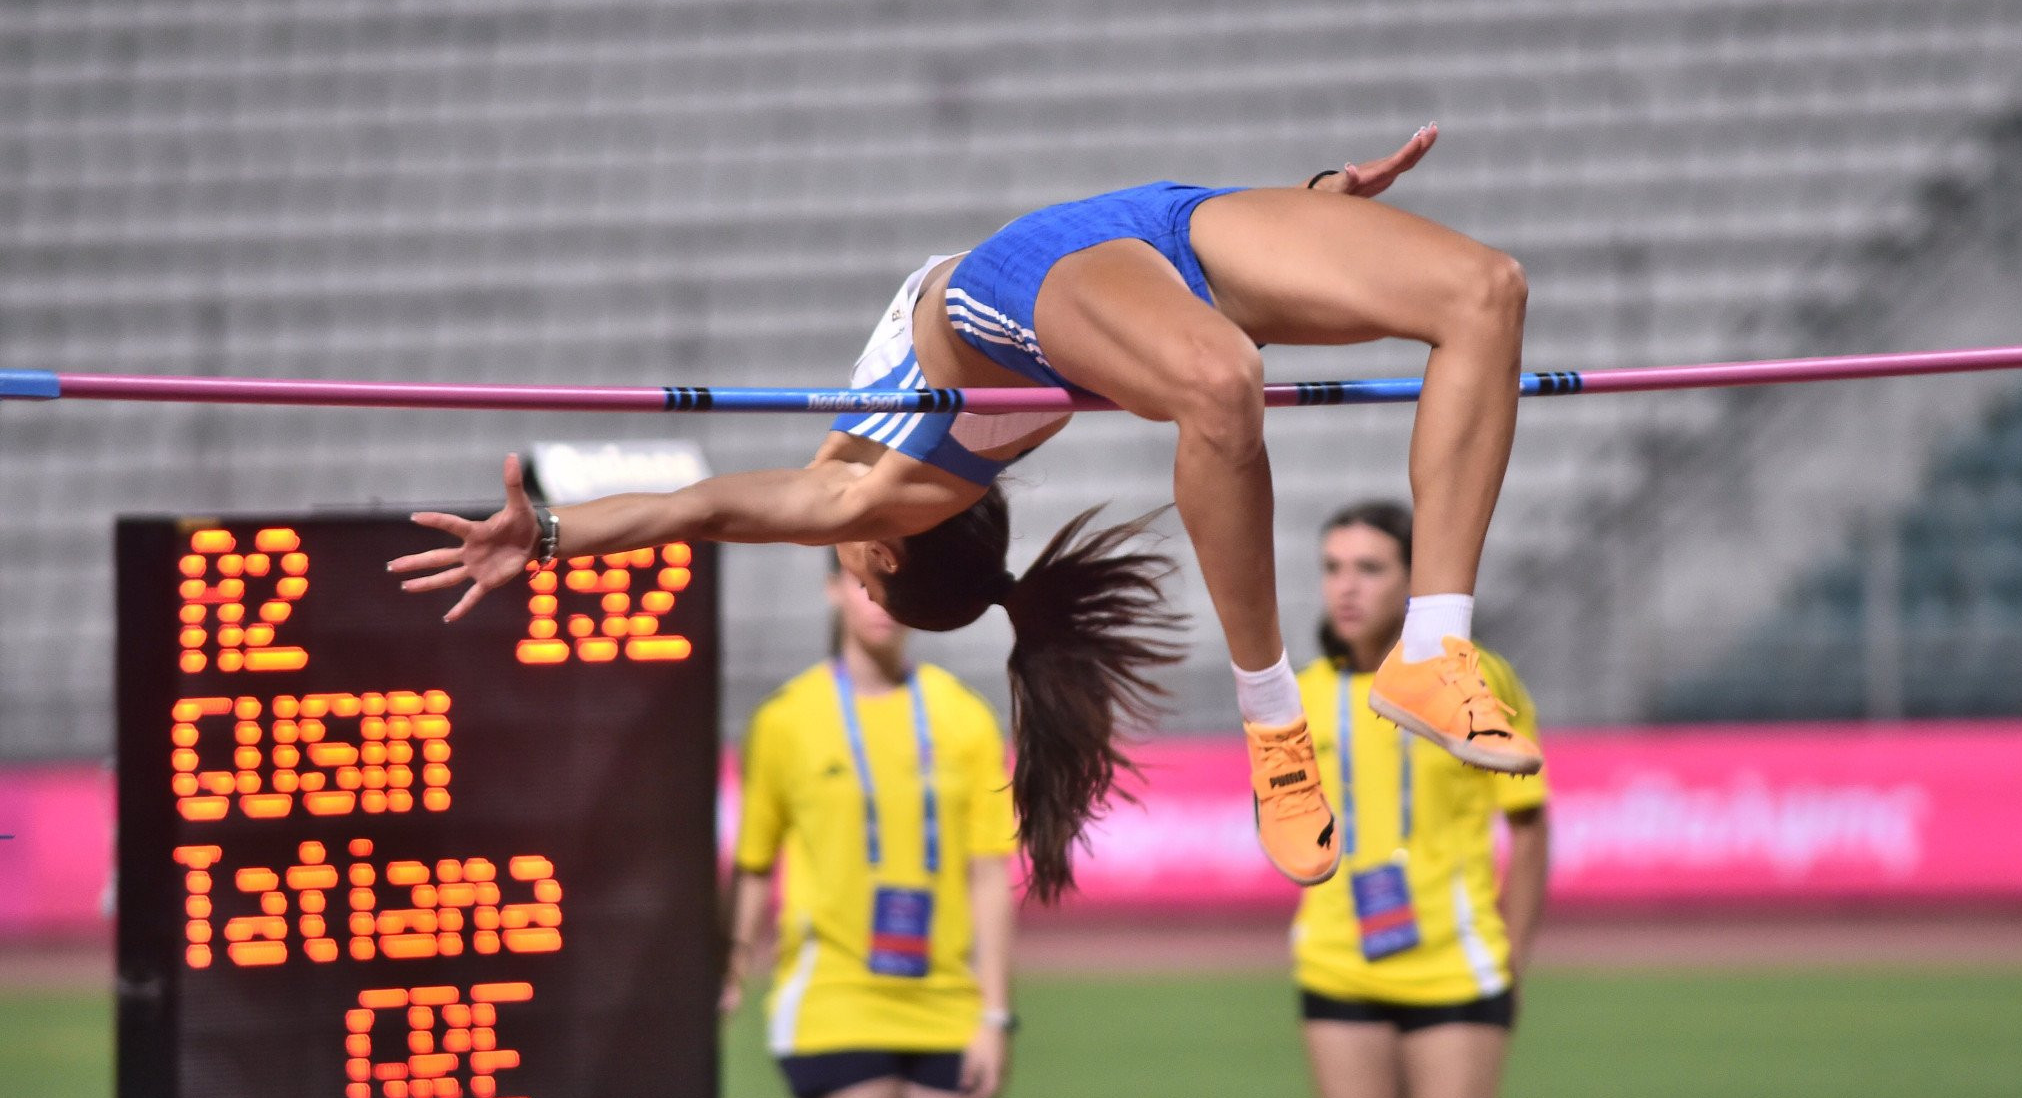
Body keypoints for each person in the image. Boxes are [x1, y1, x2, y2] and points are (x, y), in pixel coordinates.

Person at [389, 125, 1543, 900]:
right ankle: (1274, 726)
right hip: (1044, 283)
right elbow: (705, 509)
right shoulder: (881, 489)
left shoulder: (877, 472)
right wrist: (540, 534)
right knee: (1220, 383)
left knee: (1484, 291)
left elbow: (701, 507)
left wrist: (548, 530)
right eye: (856, 576)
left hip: (1139, 236)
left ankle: (1434, 646)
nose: (840, 566)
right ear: (886, 551)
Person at [724, 553, 1017, 1098]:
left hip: (944, 1002)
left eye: (895, 584)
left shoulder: (965, 718)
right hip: (834, 999)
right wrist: (732, 965)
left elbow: (990, 876)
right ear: (833, 590)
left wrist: (994, 1015)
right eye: (863, 583)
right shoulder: (786, 721)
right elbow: (754, 864)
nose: (880, 599)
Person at [1292, 501, 1549, 1098]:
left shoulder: (1477, 683)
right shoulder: (1301, 693)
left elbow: (1529, 826)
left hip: (1454, 966)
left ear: (1415, 582)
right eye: (1333, 568)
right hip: (1338, 966)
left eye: (1370, 568)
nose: (1346, 586)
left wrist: (1513, 959)